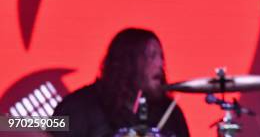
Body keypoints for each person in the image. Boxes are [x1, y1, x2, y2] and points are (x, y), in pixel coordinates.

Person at [51, 28, 189, 137]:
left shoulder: (170, 112)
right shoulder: (81, 106)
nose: (160, 63)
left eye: (161, 56)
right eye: (151, 56)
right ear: (127, 62)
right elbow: (42, 126)